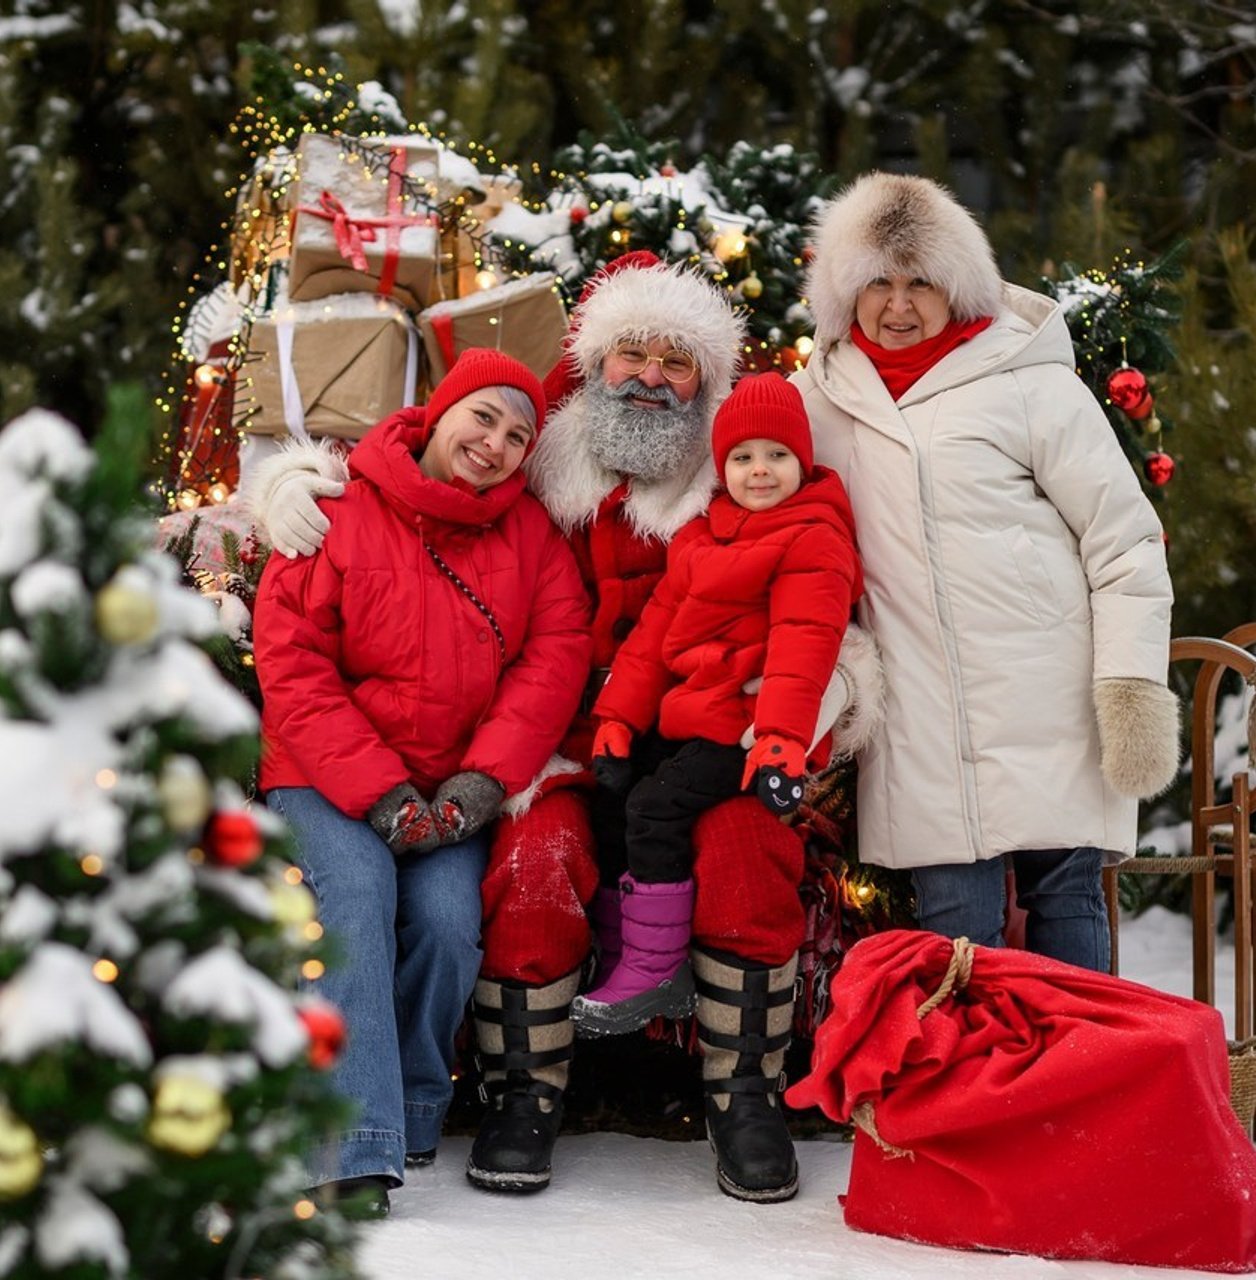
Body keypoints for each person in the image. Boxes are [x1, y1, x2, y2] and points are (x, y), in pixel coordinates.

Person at [255, 254, 882, 1205]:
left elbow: (824, 606)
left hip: (703, 735)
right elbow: (409, 484)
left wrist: (803, 707)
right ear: (593, 365)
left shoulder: (740, 476)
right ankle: (524, 1095)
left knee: (746, 853)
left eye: (676, 363)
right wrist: (293, 484)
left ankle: (744, 1097)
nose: (649, 378)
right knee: (532, 864)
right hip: (558, 744)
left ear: (707, 384)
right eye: (631, 353)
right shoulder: (538, 460)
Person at [792, 172, 1178, 972]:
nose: (899, 306)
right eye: (879, 283)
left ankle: (1079, 1058)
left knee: (1064, 903)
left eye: (922, 283)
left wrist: (1130, 685)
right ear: (847, 291)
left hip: (1050, 696)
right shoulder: (816, 401)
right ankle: (979, 1066)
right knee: (956, 930)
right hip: (919, 718)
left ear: (958, 286)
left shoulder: (1029, 382)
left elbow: (1125, 541)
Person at [251, 348, 590, 1216]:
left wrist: (482, 783)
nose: (496, 443)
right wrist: (377, 792)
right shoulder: (337, 508)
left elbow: (554, 660)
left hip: (448, 795)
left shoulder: (532, 537)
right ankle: (349, 1146)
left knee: (446, 921)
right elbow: (292, 662)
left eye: (518, 435)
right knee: (356, 896)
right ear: (440, 411)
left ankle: (409, 1109)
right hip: (324, 777)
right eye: (484, 417)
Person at [572, 372, 863, 1037]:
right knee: (615, 794)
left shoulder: (813, 536)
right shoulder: (702, 536)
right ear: (722, 466)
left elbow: (804, 644)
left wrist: (782, 739)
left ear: (802, 461)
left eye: (777, 455)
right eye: (742, 457)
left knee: (655, 808)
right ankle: (623, 951)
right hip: (693, 716)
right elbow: (652, 637)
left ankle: (657, 972)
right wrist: (617, 720)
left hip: (748, 731)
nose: (759, 470)